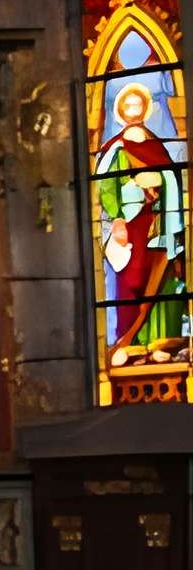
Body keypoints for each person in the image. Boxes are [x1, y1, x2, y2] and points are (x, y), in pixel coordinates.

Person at [99, 79, 185, 360]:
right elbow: (106, 186)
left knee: (161, 278)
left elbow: (171, 176)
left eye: (139, 103)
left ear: (146, 108)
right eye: (129, 104)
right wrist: (117, 218)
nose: (134, 108)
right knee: (131, 280)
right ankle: (128, 342)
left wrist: (160, 180)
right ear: (121, 111)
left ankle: (160, 343)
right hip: (132, 225)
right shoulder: (116, 148)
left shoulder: (155, 146)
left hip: (158, 223)